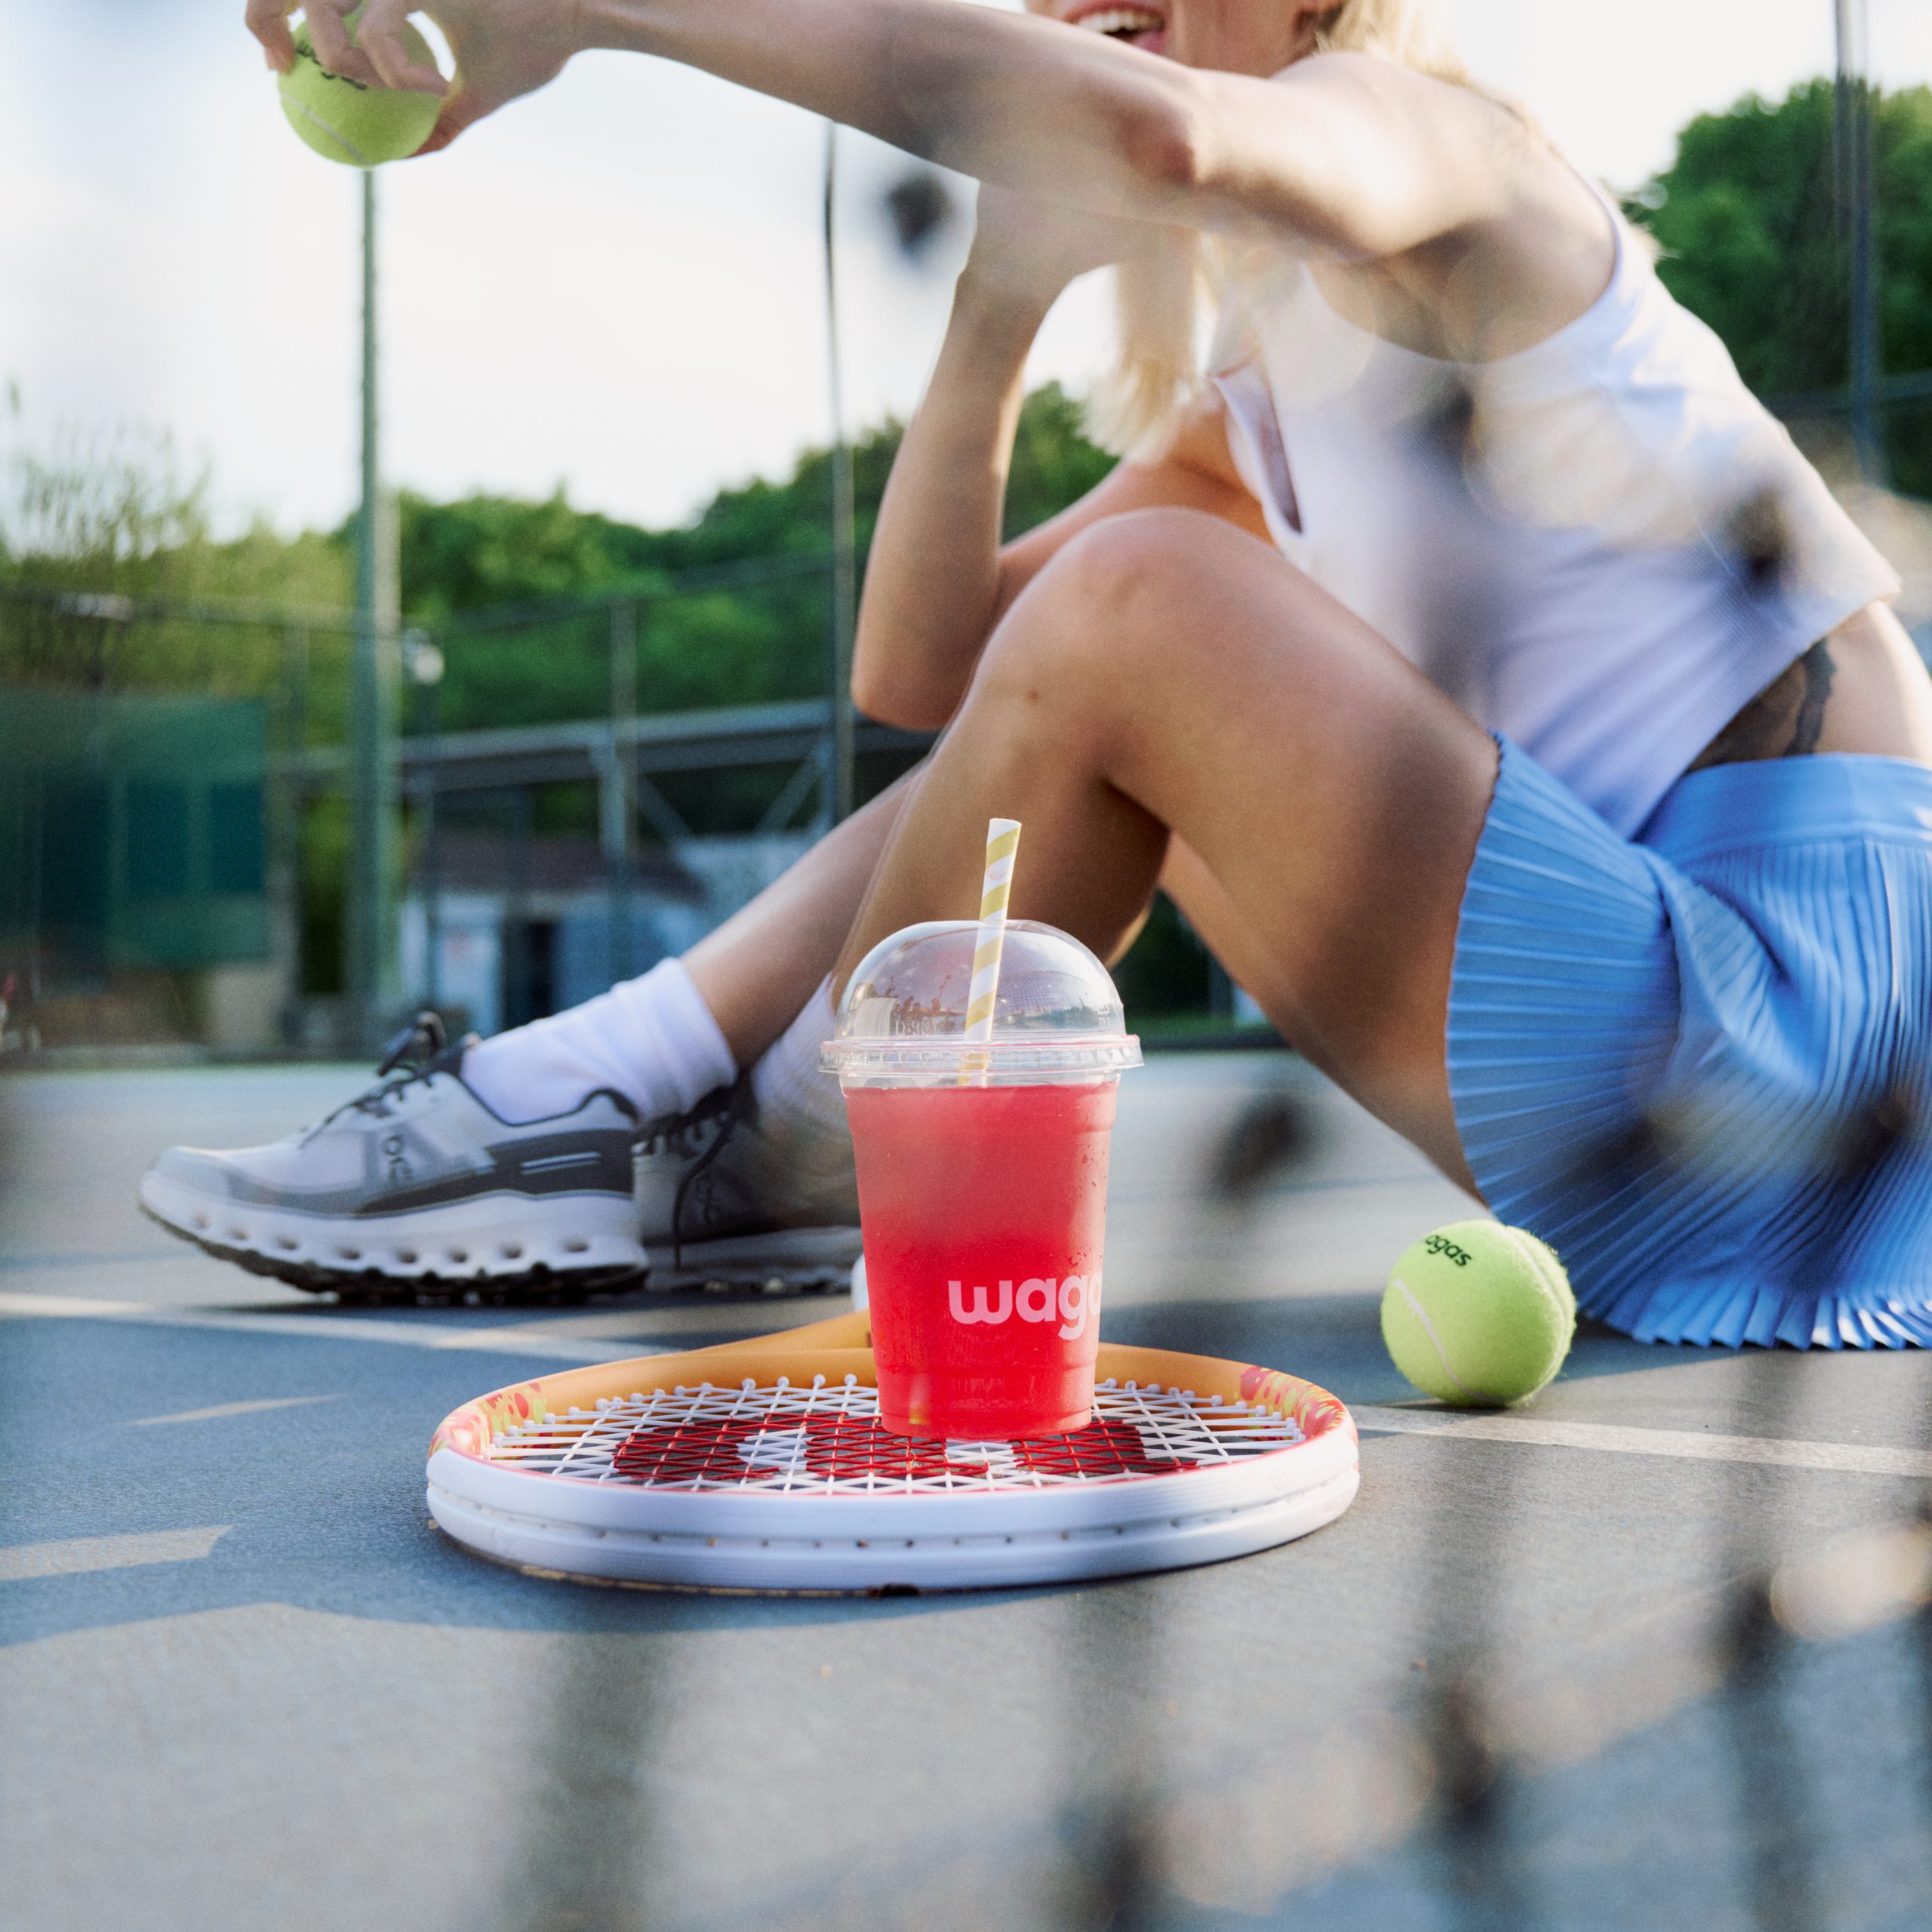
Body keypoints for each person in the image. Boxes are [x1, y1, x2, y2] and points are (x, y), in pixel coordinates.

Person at [150, 0, 1932, 1346]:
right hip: (1648, 1082)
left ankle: (739, 1151)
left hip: (1797, 1036)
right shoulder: (1268, 391)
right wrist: (994, 307)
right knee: (1106, 628)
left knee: (1137, 602)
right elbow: (930, 668)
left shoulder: (1437, 141)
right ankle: (616, 1091)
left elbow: (1164, 140)